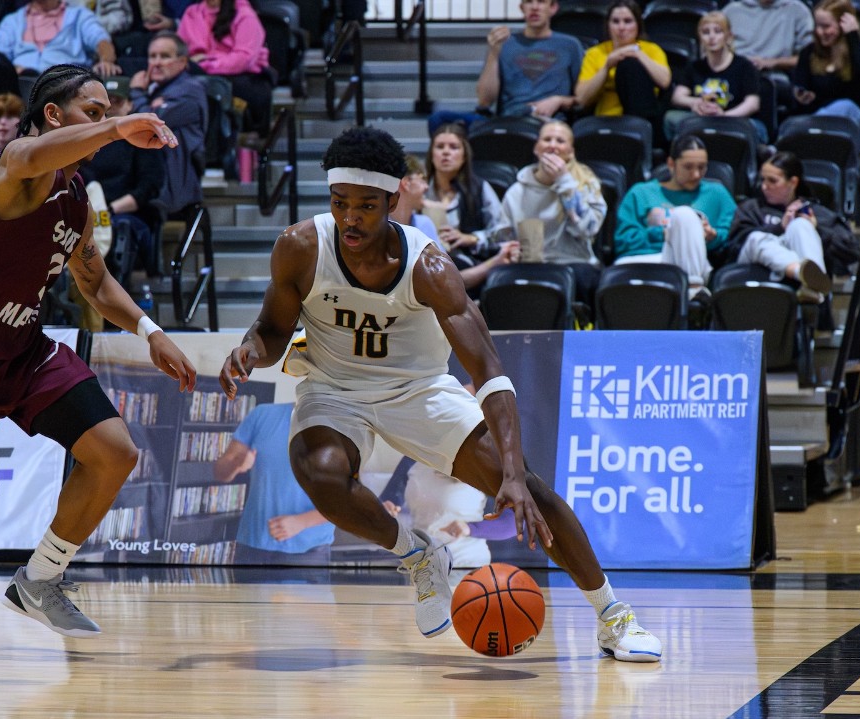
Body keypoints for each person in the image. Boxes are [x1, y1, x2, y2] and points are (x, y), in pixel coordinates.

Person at [218, 126, 662, 662]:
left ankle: (613, 618)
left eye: (364, 206)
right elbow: (271, 330)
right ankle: (418, 556)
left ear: (393, 199)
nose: (350, 218)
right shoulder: (300, 247)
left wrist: (514, 476)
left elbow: (490, 371)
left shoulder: (427, 266)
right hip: (335, 387)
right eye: (340, 204)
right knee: (319, 471)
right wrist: (249, 350)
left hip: (419, 390)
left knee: (532, 494)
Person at [0, 63, 197, 643]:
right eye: (93, 113)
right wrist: (118, 128)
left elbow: (93, 283)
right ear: (52, 117)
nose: (105, 123)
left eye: (107, 113)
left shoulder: (74, 198)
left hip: (25, 349)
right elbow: (26, 157)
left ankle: (39, 580)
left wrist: (151, 331)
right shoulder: (14, 168)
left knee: (115, 451)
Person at [429, 0, 584, 134]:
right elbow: (484, 101)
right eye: (529, 2)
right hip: (508, 120)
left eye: (541, 2)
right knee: (439, 119)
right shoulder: (505, 44)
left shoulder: (570, 45)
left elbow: (582, 97)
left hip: (551, 122)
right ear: (522, 8)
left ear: (553, 8)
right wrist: (494, 53)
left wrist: (558, 100)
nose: (534, 7)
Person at [499, 120, 606, 308]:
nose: (553, 145)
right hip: (530, 264)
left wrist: (565, 183)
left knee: (584, 278)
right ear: (536, 148)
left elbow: (588, 230)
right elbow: (502, 234)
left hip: (574, 263)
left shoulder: (586, 185)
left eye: (560, 141)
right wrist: (510, 249)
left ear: (570, 152)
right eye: (547, 139)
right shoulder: (516, 191)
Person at [213, 403, 336, 565]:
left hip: (308, 554)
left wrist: (301, 522)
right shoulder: (262, 414)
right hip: (252, 547)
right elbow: (220, 473)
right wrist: (236, 463)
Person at [613, 134, 736, 295]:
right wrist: (665, 234)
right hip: (645, 259)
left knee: (685, 215)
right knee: (683, 215)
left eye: (702, 167)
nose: (696, 175)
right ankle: (694, 296)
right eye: (688, 167)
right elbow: (623, 241)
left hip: (691, 264)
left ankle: (692, 293)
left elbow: (732, 239)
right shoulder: (641, 192)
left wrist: (712, 237)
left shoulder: (717, 194)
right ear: (671, 164)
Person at [723, 151, 858, 297]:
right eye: (763, 179)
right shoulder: (751, 207)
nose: (764, 186)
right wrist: (779, 228)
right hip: (752, 271)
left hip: (795, 286)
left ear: (793, 182)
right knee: (756, 238)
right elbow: (735, 246)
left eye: (772, 181)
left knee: (800, 225)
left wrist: (816, 230)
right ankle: (803, 276)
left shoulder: (812, 211)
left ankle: (812, 288)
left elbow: (852, 251)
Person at [79, 75, 165, 282]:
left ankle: (115, 294)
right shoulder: (87, 139)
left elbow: (148, 187)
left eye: (118, 101)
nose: (112, 108)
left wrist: (108, 211)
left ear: (130, 105)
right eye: (107, 102)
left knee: (120, 228)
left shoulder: (142, 140)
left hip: (124, 213)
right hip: (88, 210)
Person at [791, 0, 860, 156]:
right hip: (821, 131)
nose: (820, 32)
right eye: (817, 26)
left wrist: (853, 38)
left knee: (844, 106)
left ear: (844, 24)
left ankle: (796, 139)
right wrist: (801, 95)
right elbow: (799, 85)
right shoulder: (809, 53)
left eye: (826, 26)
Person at [130, 31, 208, 215]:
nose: (156, 63)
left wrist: (136, 93)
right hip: (154, 177)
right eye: (152, 56)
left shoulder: (190, 91)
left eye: (165, 56)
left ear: (182, 62)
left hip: (175, 185)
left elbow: (149, 122)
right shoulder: (158, 88)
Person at [664, 12, 766, 143]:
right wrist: (697, 103)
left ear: (729, 36)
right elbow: (678, 97)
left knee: (754, 128)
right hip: (703, 117)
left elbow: (752, 104)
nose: (711, 37)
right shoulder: (695, 67)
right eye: (706, 32)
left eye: (718, 31)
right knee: (671, 117)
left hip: (734, 118)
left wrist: (723, 115)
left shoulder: (744, 66)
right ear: (700, 37)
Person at [574, 0, 670, 136]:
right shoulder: (595, 53)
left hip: (645, 118)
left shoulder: (651, 50)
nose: (621, 27)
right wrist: (607, 67)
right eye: (615, 21)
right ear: (608, 25)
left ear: (638, 25)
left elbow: (665, 81)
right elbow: (581, 98)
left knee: (629, 65)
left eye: (628, 21)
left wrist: (638, 55)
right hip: (606, 119)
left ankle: (639, 130)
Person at [424, 123, 509, 276]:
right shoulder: (419, 190)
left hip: (470, 264)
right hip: (424, 265)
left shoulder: (479, 188)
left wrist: (472, 238)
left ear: (464, 156)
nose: (446, 152)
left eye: (454, 147)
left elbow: (502, 233)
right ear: (431, 154)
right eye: (440, 147)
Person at [177, 0, 272, 136]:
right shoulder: (191, 13)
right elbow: (179, 52)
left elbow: (243, 60)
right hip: (199, 74)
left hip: (242, 79)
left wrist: (205, 63)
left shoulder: (245, 15)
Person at [0, 0, 122, 77]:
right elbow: (0, 59)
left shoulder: (79, 16)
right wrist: (12, 71)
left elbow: (102, 42)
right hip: (22, 85)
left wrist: (106, 61)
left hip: (67, 86)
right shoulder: (11, 21)